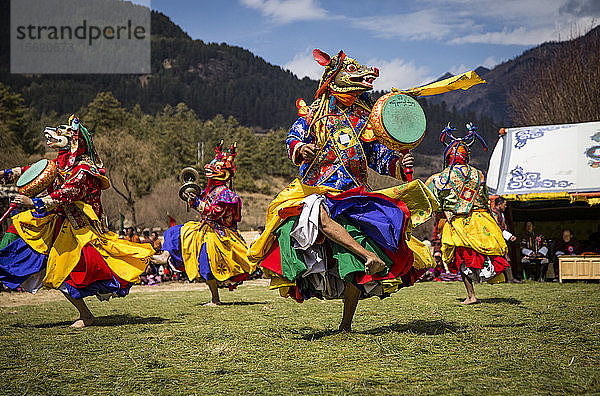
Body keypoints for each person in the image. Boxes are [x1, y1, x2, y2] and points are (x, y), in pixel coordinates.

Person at [248, 49, 439, 332]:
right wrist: (301, 148)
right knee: (317, 216)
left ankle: (347, 322)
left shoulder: (365, 119)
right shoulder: (313, 115)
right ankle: (367, 257)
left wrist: (398, 163)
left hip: (356, 192)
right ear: (333, 80)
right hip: (320, 188)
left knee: (353, 262)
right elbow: (293, 138)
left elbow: (377, 156)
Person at [0, 115, 155, 327]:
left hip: (80, 230)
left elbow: (69, 192)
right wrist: (3, 175)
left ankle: (86, 315)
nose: (52, 136)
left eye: (60, 134)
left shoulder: (84, 170)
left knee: (69, 273)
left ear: (74, 141)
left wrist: (33, 202)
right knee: (20, 231)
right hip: (56, 223)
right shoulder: (56, 164)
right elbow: (29, 171)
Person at [152, 142, 256, 305]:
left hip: (219, 233)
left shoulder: (227, 194)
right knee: (174, 232)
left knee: (207, 261)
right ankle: (165, 256)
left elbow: (215, 212)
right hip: (203, 228)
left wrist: (196, 203)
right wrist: (191, 196)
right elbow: (202, 204)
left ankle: (215, 299)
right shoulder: (210, 191)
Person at [426, 123, 509, 305]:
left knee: (462, 256)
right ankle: (487, 277)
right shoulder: (479, 175)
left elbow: (432, 201)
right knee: (483, 252)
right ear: (467, 156)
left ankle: (471, 295)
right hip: (481, 220)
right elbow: (486, 199)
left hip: (458, 222)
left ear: (449, 155)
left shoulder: (440, 178)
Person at [492, 196, 521, 283]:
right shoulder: (494, 214)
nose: (506, 206)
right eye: (504, 205)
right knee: (503, 257)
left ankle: (510, 278)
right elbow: (497, 227)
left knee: (506, 257)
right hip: (496, 239)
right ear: (499, 204)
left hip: (502, 238)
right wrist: (509, 236)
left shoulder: (500, 213)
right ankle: (509, 278)